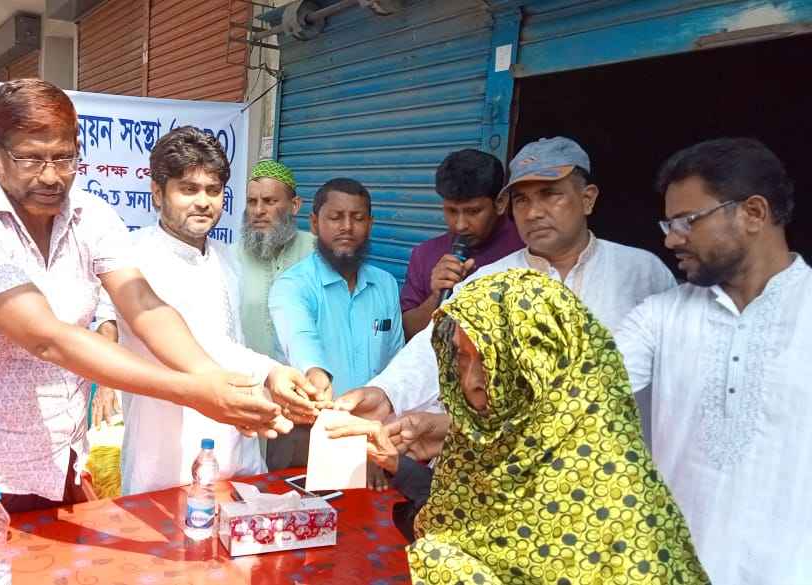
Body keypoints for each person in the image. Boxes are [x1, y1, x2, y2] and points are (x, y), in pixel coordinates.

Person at [0, 80, 294, 530]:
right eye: (31, 158)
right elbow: (49, 339)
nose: (50, 175)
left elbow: (142, 302)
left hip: (55, 458)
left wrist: (214, 380)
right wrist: (196, 393)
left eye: (64, 157)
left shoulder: (92, 216)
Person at [329, 270, 710, 584]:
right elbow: (461, 518)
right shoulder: (481, 446)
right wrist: (401, 465)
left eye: (498, 362)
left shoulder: (605, 492)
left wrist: (445, 564)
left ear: (543, 364)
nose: (473, 381)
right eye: (462, 359)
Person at [340, 136, 676, 442]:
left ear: (587, 199)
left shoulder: (641, 272)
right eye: (522, 200)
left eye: (550, 194)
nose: (534, 212)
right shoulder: (487, 279)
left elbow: (675, 379)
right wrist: (385, 394)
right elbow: (433, 350)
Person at [616, 138, 811, 583]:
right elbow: (575, 398)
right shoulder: (660, 316)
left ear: (754, 213)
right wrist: (456, 426)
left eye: (687, 220)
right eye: (668, 222)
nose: (670, 238)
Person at [92, 128, 320, 495]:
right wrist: (269, 371)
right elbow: (118, 326)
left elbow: (232, 342)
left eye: (213, 191)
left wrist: (275, 380)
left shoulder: (228, 259)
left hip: (236, 454)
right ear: (156, 193)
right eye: (188, 189)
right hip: (164, 459)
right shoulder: (130, 259)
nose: (203, 202)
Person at [267, 178, 405, 469]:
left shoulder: (386, 285)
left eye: (357, 218)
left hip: (370, 431)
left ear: (370, 224)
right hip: (305, 432)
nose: (347, 227)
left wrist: (375, 451)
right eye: (335, 217)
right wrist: (316, 375)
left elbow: (396, 363)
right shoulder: (293, 285)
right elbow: (300, 337)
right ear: (315, 223)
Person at [400, 149, 524, 340]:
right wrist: (435, 297)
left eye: (473, 211)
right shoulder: (424, 254)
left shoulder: (527, 248)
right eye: (451, 211)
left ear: (500, 203)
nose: (460, 225)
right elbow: (407, 332)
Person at [236, 159, 316, 360]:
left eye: (270, 201)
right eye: (252, 201)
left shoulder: (318, 253)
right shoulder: (230, 258)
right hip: (247, 383)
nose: (258, 211)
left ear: (295, 205)